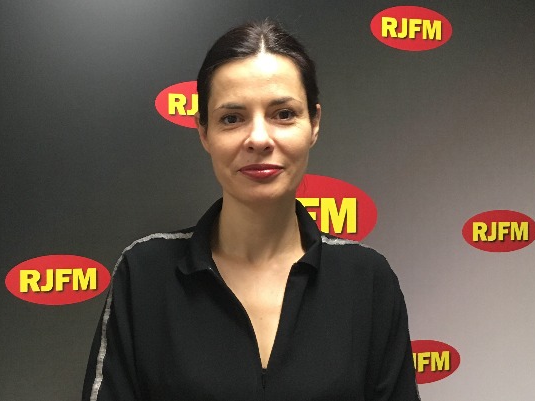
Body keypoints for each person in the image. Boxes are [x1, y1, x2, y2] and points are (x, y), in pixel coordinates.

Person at [83, 19, 420, 401]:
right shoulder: (144, 274)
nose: (259, 139)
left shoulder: (367, 280)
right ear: (203, 131)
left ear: (314, 124)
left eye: (283, 114)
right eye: (232, 118)